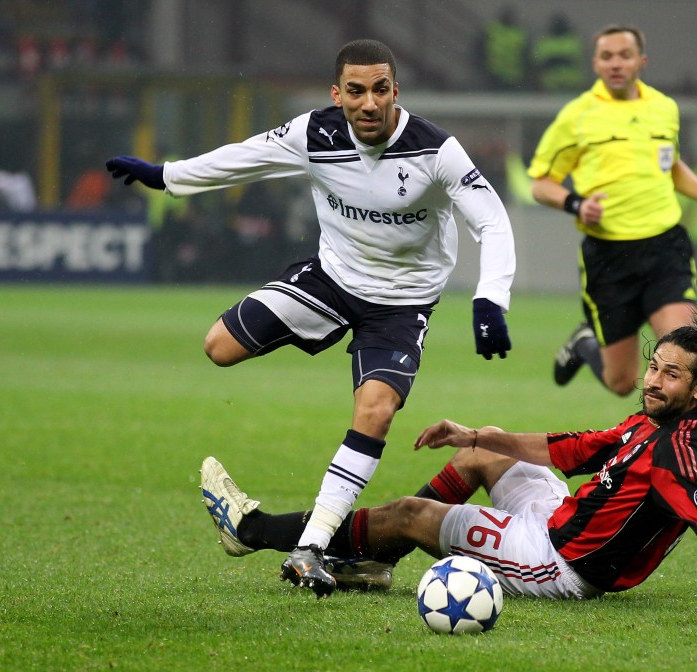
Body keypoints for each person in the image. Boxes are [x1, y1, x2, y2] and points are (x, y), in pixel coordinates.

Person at [107, 39, 516, 597]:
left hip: (400, 303)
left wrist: (490, 299)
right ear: (337, 94)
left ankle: (311, 545)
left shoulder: (435, 150)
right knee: (218, 346)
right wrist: (168, 176)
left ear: (395, 91)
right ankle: (292, 536)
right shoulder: (314, 134)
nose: (368, 103)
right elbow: (246, 156)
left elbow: (491, 220)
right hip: (332, 280)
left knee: (375, 410)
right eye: (355, 91)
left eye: (380, 90)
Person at [200, 313, 697, 613]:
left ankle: (253, 530)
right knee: (484, 450)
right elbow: (577, 448)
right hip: (558, 518)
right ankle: (380, 555)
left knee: (412, 513)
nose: (652, 380)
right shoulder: (657, 421)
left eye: (672, 375)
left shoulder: (678, 451)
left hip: (559, 564)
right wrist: (477, 434)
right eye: (655, 366)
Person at [526, 25, 697, 397]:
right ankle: (584, 343)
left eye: (624, 55)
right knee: (623, 383)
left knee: (682, 356)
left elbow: (671, 166)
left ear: (641, 61)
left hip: (664, 248)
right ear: (595, 64)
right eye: (607, 56)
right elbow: (541, 182)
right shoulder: (577, 116)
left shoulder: (663, 108)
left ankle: (673, 452)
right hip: (609, 257)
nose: (615, 63)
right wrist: (577, 203)